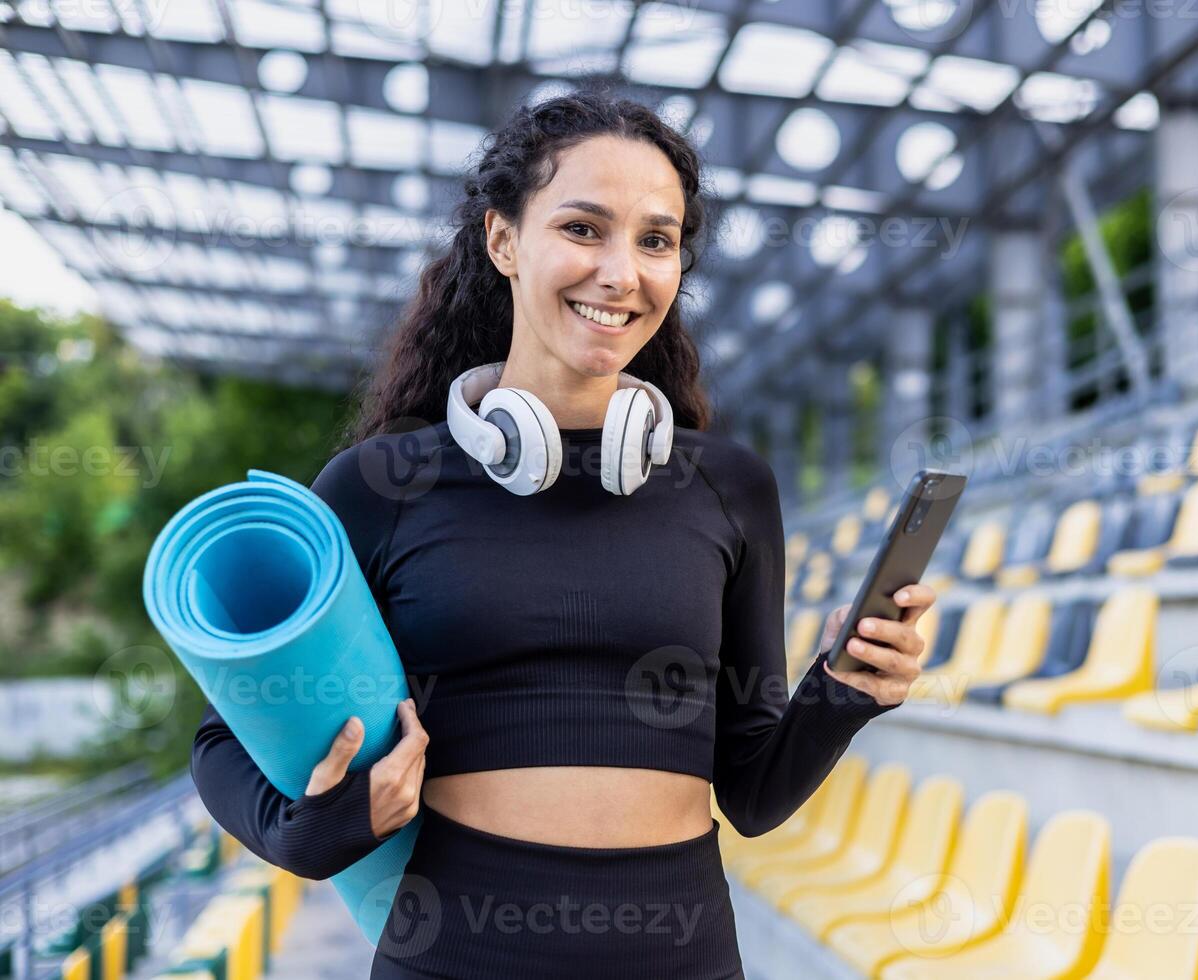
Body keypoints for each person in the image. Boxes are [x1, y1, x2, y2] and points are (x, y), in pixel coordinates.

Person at [189, 87, 935, 979]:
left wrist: (846, 690)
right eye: (584, 228)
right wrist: (312, 832)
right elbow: (224, 737)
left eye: (655, 240)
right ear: (503, 239)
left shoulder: (729, 488)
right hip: (457, 955)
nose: (623, 272)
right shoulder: (382, 486)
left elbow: (752, 791)